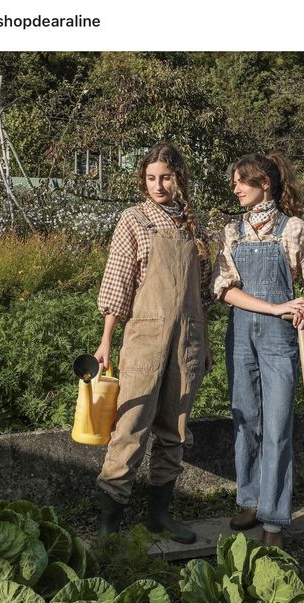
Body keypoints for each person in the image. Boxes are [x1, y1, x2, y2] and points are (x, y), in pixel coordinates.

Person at [211, 152, 304, 548]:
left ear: (264, 183)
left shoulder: (293, 229)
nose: (235, 187)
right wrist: (277, 305)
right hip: (242, 334)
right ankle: (250, 500)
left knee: (277, 426)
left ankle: (275, 521)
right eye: (234, 182)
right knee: (246, 420)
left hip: (280, 337)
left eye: (242, 181)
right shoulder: (232, 232)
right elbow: (225, 290)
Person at [94, 141, 212, 544]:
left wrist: (204, 340)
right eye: (150, 178)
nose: (157, 185)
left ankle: (159, 516)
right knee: (130, 426)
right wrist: (106, 340)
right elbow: (117, 282)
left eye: (165, 177)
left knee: (174, 430)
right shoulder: (133, 220)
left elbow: (205, 292)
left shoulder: (195, 226)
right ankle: (110, 522)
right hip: (144, 339)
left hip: (188, 341)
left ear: (178, 178)